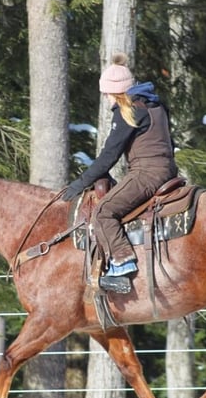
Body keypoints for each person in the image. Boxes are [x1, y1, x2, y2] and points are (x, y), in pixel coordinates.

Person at [62, 53, 177, 285]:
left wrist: (78, 184)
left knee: (103, 211)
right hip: (167, 170)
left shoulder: (129, 111)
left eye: (106, 93)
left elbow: (108, 156)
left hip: (147, 174)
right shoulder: (155, 104)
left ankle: (123, 262)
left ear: (115, 92)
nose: (105, 98)